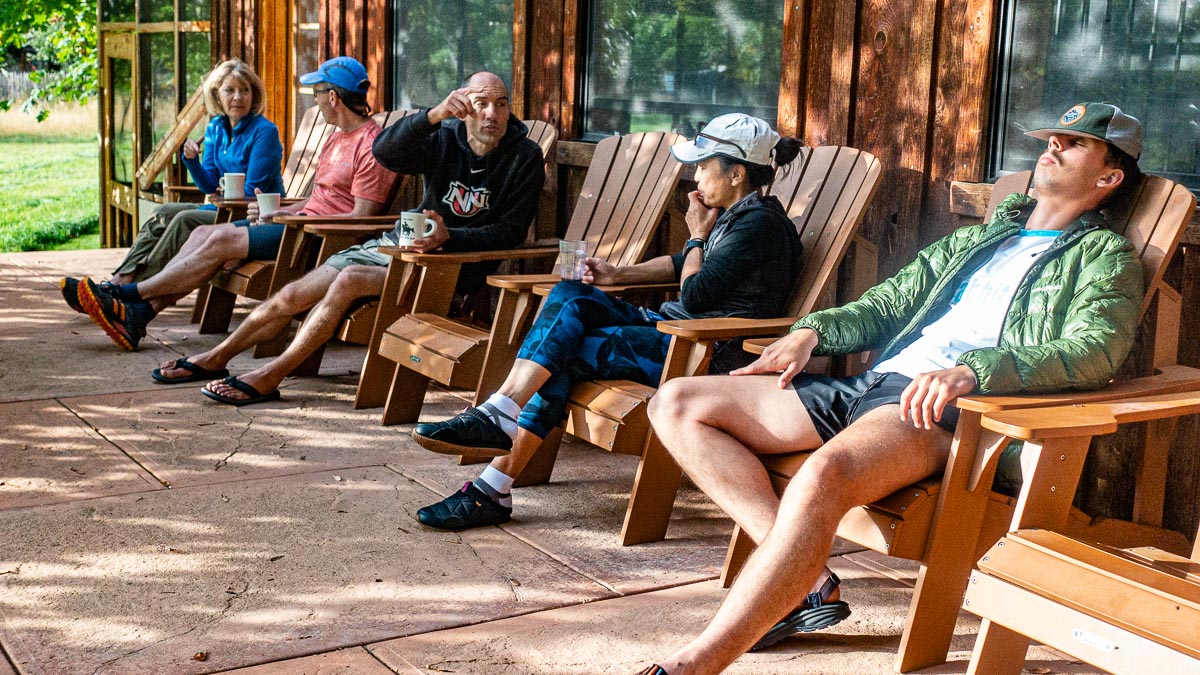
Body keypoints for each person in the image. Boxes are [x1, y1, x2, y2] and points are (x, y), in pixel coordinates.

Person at [636, 102, 1146, 675]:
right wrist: (813, 331)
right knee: (677, 402)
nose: (1050, 147)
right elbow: (892, 300)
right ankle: (808, 578)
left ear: (1109, 178)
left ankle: (697, 662)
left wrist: (977, 370)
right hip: (872, 385)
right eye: (1051, 138)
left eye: (1072, 143)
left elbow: (1095, 348)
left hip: (942, 408)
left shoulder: (1104, 257)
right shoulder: (983, 238)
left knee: (820, 477)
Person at [411, 113, 806, 532]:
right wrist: (619, 274)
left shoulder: (760, 226)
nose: (696, 175)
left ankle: (492, 480)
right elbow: (680, 266)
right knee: (570, 293)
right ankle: (499, 419)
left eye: (705, 165)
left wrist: (695, 235)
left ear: (737, 173)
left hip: (700, 354)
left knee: (565, 353)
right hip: (671, 334)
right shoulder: (738, 215)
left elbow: (694, 292)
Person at [152, 70, 545, 406]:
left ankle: (271, 375)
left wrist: (449, 237)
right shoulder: (446, 139)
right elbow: (386, 150)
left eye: (501, 104)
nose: (492, 113)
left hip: (448, 270)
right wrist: (434, 115)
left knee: (348, 278)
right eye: (480, 103)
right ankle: (217, 356)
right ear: (464, 106)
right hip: (394, 248)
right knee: (292, 293)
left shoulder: (523, 157)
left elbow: (509, 232)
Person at [67, 56, 398, 353]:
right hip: (296, 225)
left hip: (316, 240)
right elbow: (318, 199)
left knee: (221, 241)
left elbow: (360, 218)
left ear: (333, 97)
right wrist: (283, 210)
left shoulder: (372, 146)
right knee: (201, 237)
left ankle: (129, 294)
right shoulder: (335, 138)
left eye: (316, 94)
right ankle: (138, 316)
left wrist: (293, 221)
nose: (315, 101)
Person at [61, 58, 284, 307]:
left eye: (245, 90)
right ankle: (119, 279)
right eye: (229, 90)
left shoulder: (264, 132)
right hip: (223, 210)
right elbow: (209, 186)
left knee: (183, 219)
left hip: (252, 215)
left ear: (254, 95)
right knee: (163, 212)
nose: (237, 97)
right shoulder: (215, 128)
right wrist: (191, 161)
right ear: (216, 94)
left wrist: (218, 198)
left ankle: (127, 294)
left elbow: (250, 192)